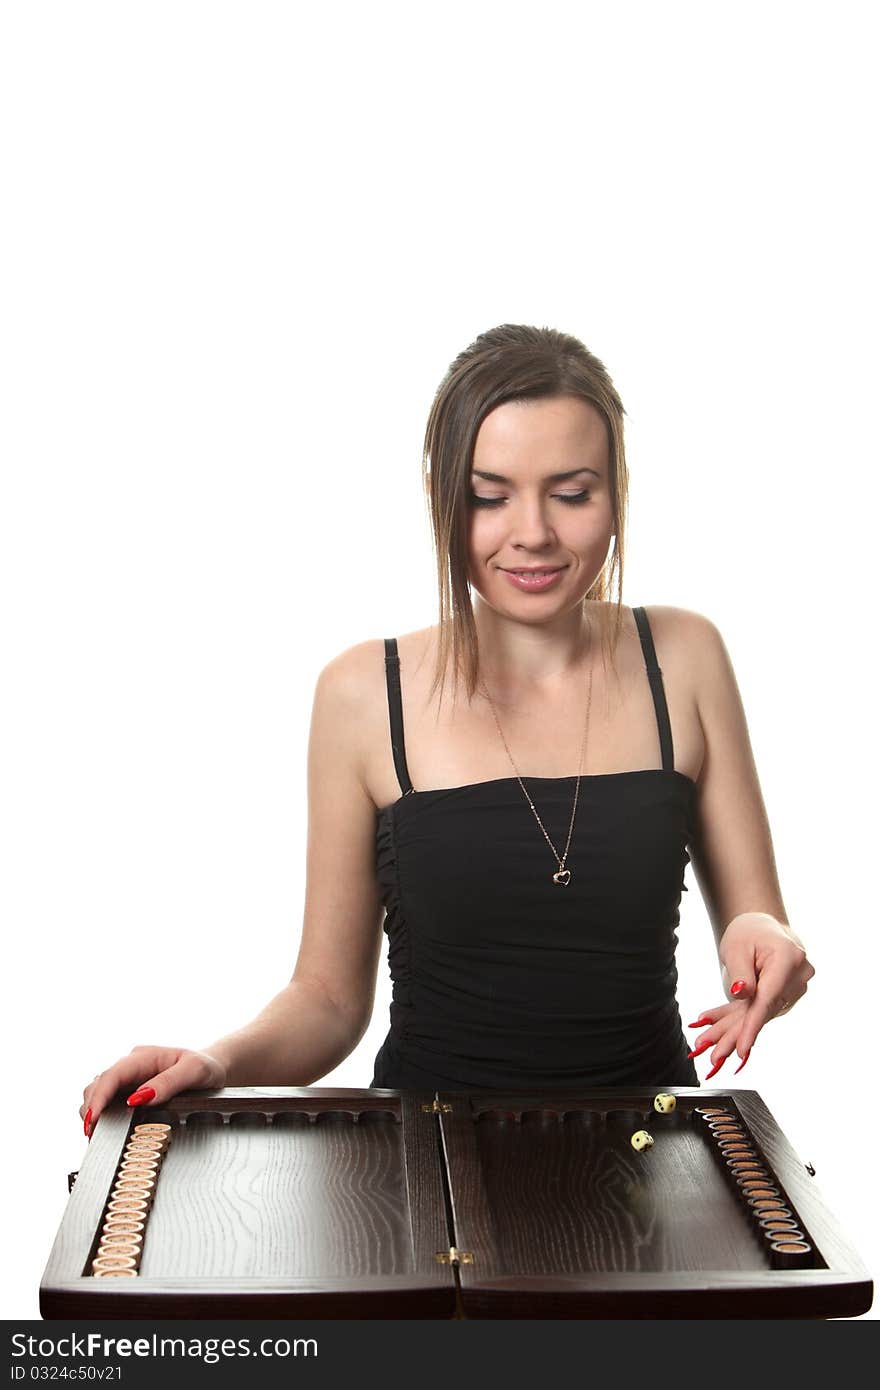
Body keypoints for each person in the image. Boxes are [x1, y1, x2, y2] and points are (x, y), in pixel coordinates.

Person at [79, 323, 814, 1136]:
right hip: (425, 1165)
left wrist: (763, 939)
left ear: (618, 489)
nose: (531, 531)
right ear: (441, 496)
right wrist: (217, 1062)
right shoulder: (364, 692)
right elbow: (326, 999)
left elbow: (756, 922)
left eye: (572, 493)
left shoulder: (685, 655)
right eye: (490, 496)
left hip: (649, 1155)